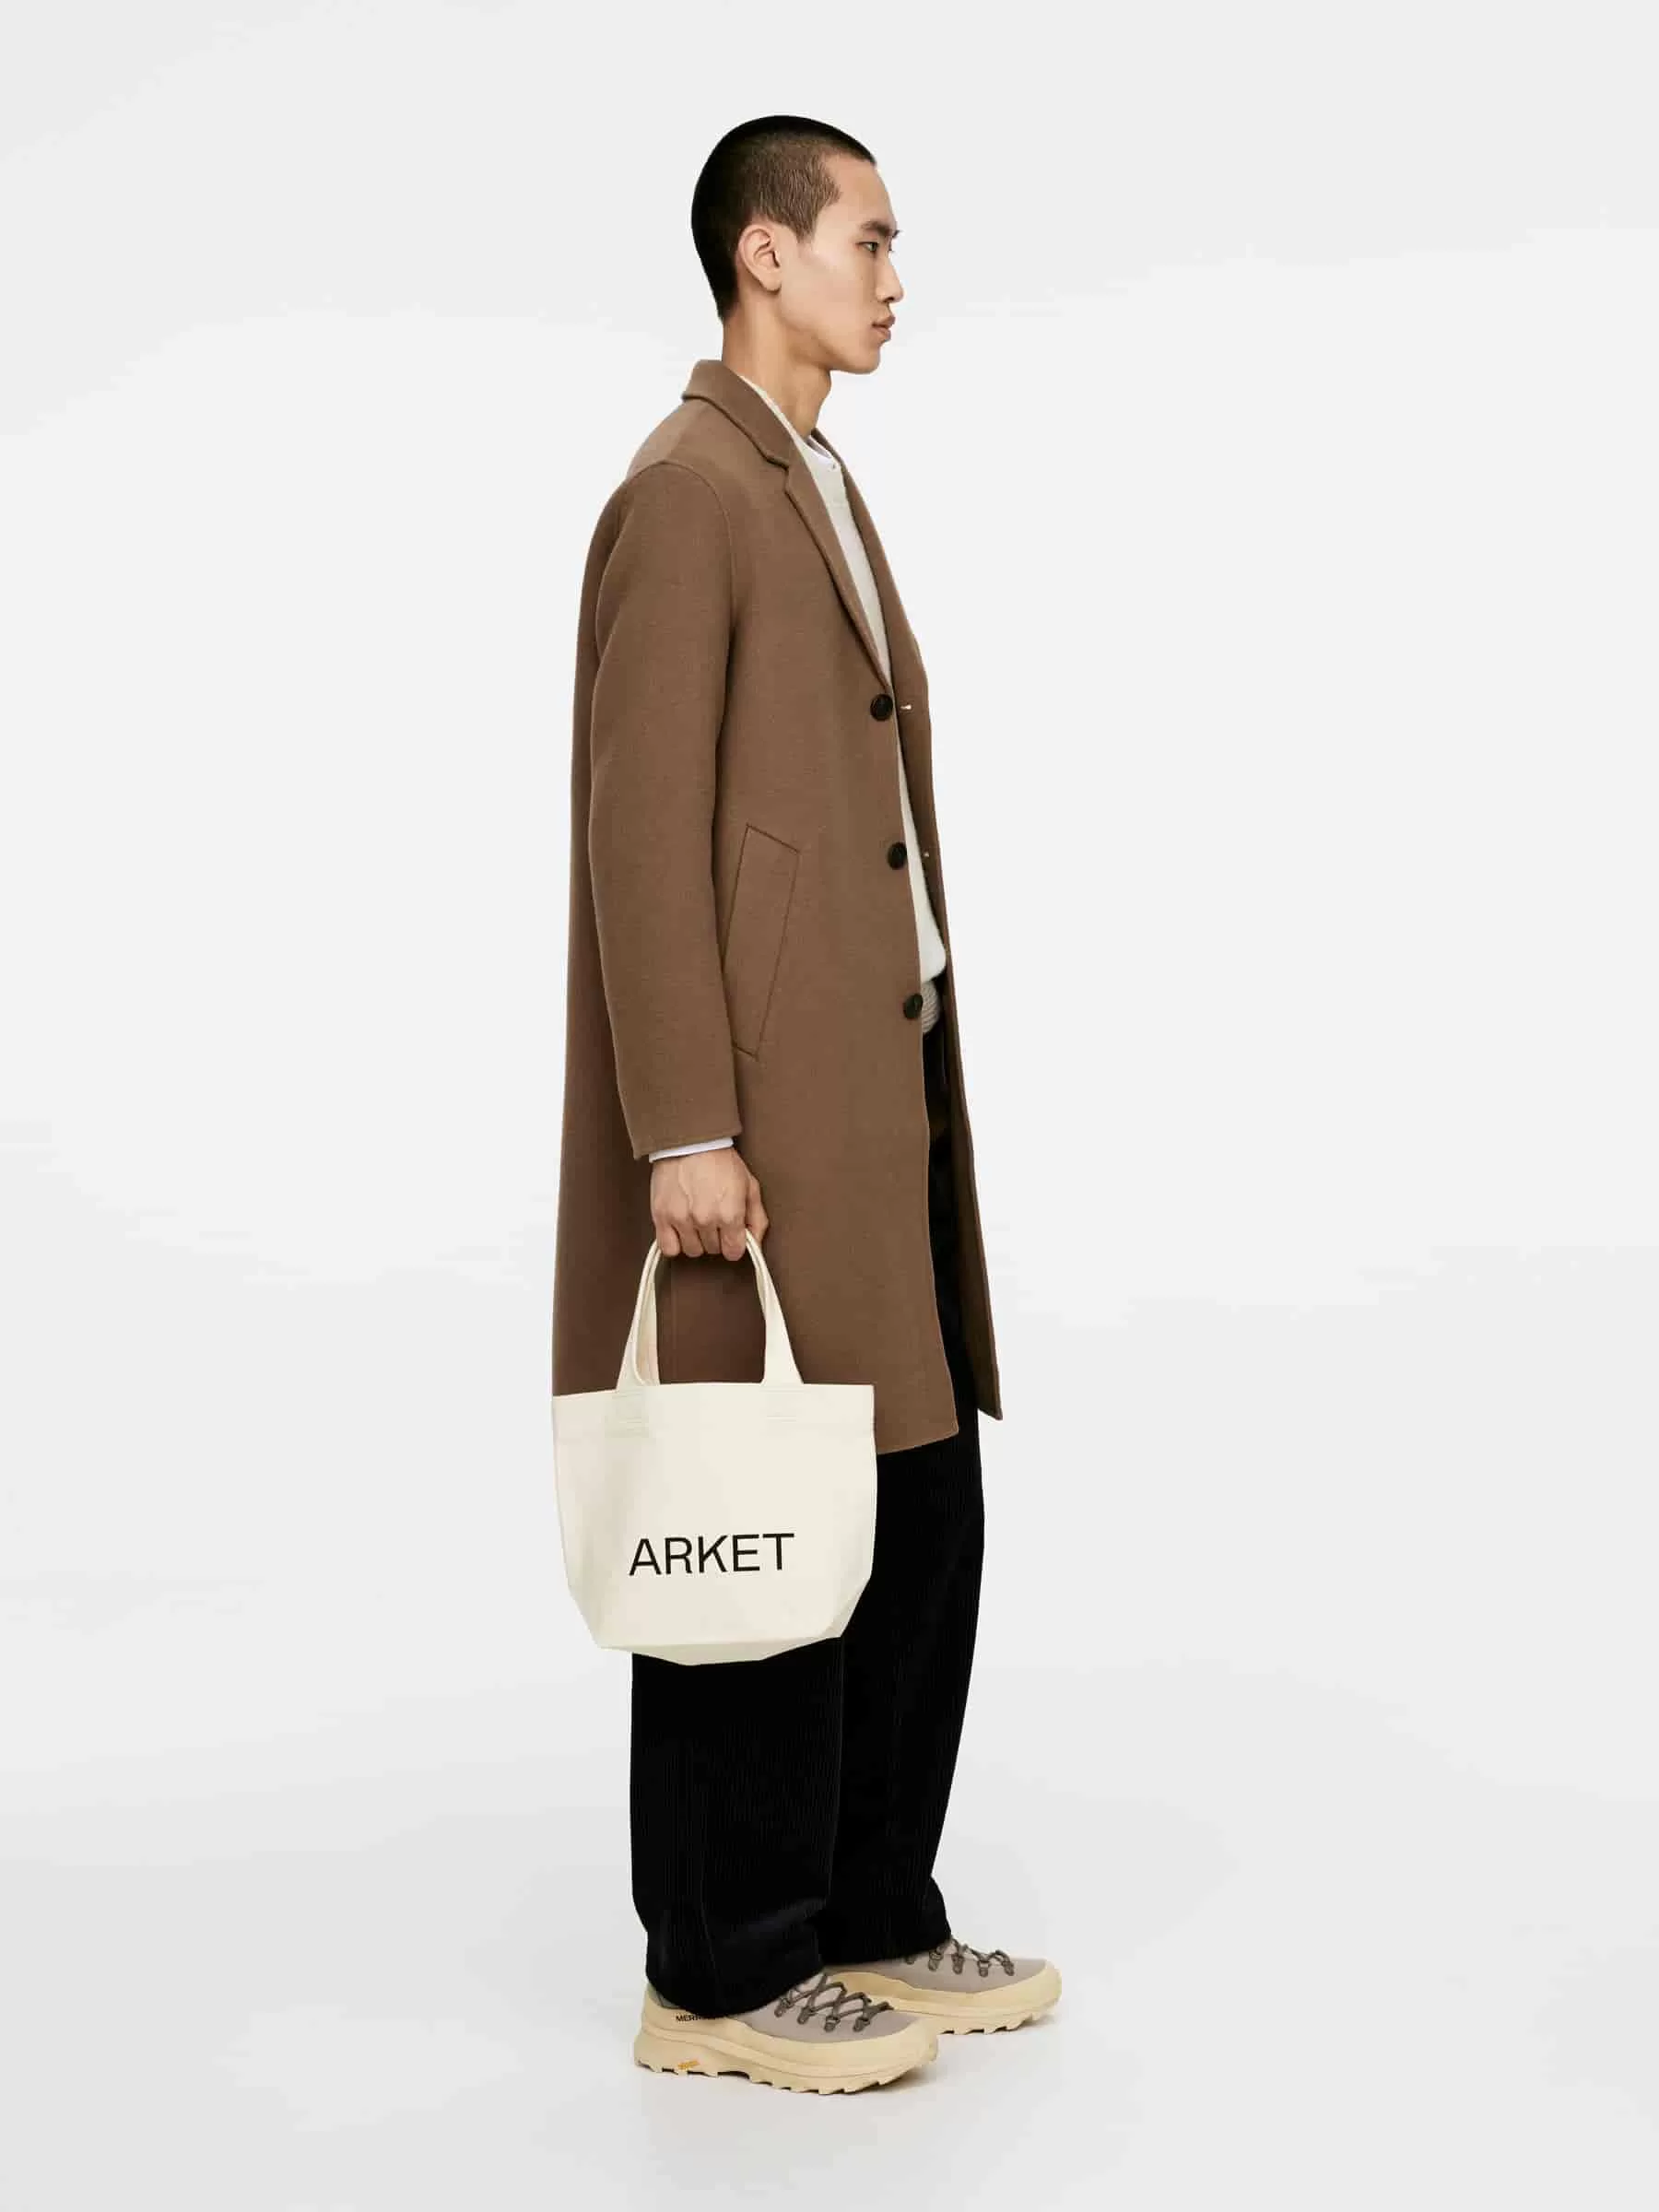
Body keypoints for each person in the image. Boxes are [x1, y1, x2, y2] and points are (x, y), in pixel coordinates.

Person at [551, 114, 1060, 2093]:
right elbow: (640, 834)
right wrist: (684, 1123)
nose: (896, 278)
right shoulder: (686, 491)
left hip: (881, 1086)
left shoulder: (817, 477)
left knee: (916, 1500)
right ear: (764, 254)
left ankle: (868, 1912)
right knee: (754, 1518)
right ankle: (722, 1971)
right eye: (870, 238)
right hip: (758, 1124)